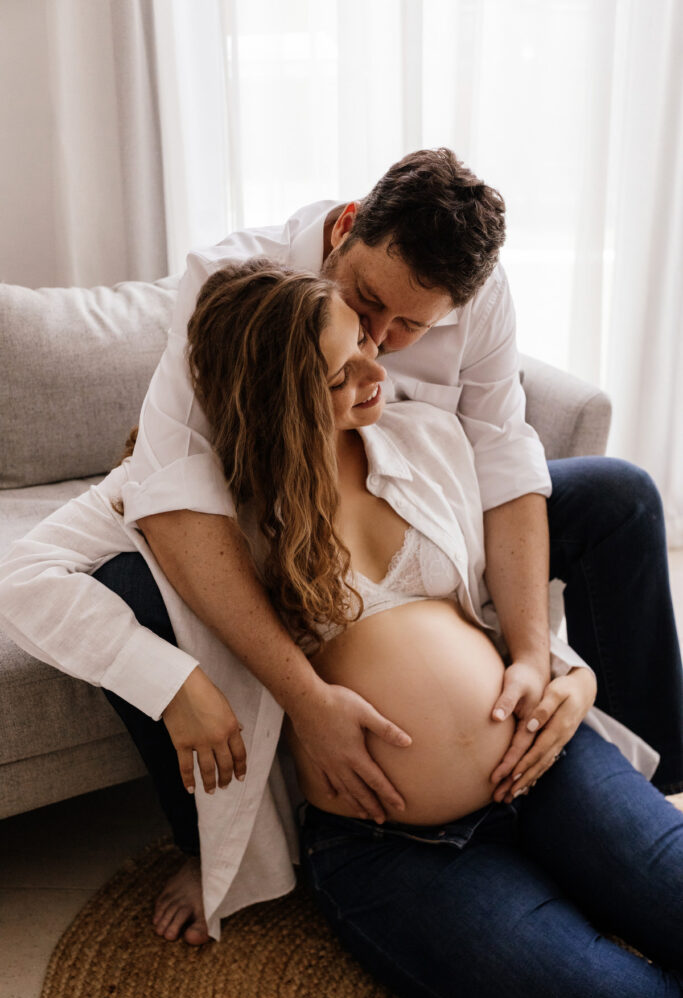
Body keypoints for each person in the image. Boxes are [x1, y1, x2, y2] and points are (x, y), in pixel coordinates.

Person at [0, 149, 681, 948]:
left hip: (446, 601)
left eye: (410, 330)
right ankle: (210, 832)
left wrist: (542, 661)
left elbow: (501, 453)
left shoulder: (426, 424)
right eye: (364, 312)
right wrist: (238, 692)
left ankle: (654, 788)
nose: (383, 350)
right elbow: (166, 493)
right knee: (142, 586)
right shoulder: (232, 302)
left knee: (618, 496)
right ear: (347, 230)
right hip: (368, 810)